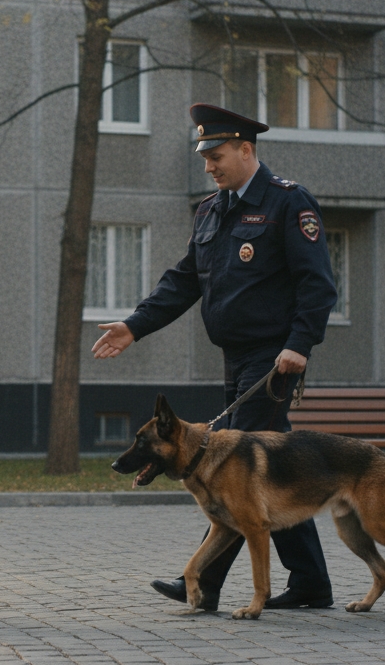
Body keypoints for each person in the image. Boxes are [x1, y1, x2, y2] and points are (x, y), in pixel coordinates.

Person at [92, 103, 339, 611]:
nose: (209, 165)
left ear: (246, 150)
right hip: (234, 356)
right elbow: (183, 281)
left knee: (233, 471)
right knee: (272, 476)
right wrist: (134, 326)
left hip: (272, 359)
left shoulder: (289, 203)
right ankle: (312, 581)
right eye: (205, 157)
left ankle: (201, 583)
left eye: (217, 155)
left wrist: (299, 344)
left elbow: (317, 283)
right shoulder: (212, 209)